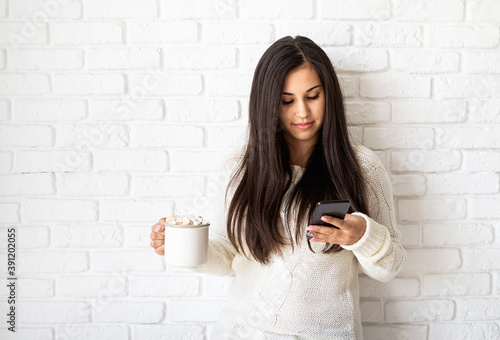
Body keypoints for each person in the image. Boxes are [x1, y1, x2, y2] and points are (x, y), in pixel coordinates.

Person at [150, 36, 406, 340]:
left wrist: (362, 235)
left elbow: (390, 266)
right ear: (268, 103)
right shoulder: (240, 169)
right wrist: (183, 246)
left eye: (313, 96)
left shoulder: (362, 168)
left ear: (330, 96)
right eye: (287, 101)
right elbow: (225, 256)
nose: (302, 113)